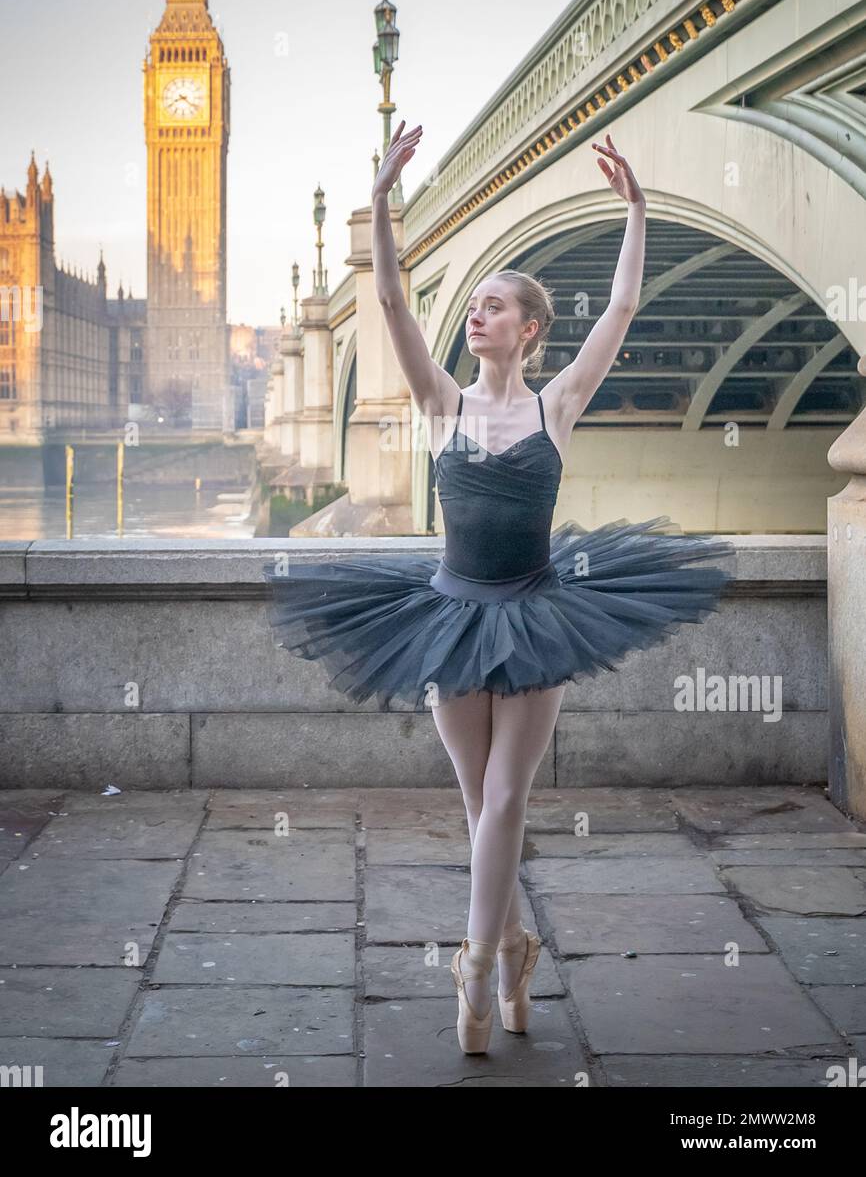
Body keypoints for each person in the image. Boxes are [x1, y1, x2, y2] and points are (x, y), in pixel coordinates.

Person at [262, 120, 736, 1054]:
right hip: (446, 614)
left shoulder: (556, 406)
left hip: (537, 615)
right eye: (472, 306)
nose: (475, 316)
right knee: (479, 803)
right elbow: (393, 302)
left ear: (529, 329)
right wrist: (386, 194)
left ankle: (476, 966)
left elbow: (625, 309)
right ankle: (515, 951)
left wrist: (637, 210)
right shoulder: (443, 405)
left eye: (493, 307)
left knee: (509, 798)